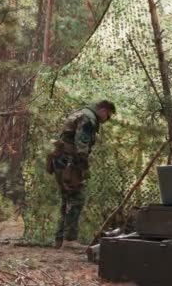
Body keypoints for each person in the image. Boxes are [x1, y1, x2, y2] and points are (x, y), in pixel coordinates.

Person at [47, 100, 116, 248]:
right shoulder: (89, 119)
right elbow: (81, 147)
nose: (107, 119)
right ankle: (70, 240)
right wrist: (83, 167)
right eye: (108, 116)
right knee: (76, 198)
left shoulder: (81, 113)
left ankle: (60, 240)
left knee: (67, 198)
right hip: (69, 162)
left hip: (60, 159)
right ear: (103, 110)